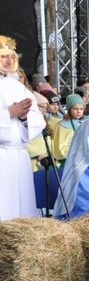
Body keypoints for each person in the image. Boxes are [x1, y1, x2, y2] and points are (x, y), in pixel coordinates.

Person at [0, 35, 46, 220]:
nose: (9, 61)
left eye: (12, 56)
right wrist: (8, 114)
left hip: (19, 156)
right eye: (4, 56)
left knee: (22, 208)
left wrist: (25, 117)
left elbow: (38, 117)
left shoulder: (18, 87)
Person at [52, 93, 87, 167]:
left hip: (85, 160)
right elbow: (59, 149)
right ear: (69, 109)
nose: (79, 111)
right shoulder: (61, 125)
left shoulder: (86, 123)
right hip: (68, 161)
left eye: (81, 109)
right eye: (75, 109)